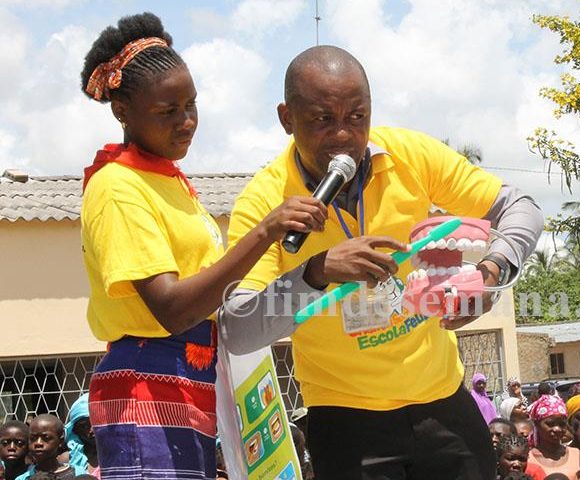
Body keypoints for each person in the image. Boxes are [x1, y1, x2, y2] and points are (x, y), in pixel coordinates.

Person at [220, 45, 543, 479]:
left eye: (357, 116)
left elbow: (521, 207)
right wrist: (315, 273)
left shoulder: (410, 154)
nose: (344, 137)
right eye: (322, 119)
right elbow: (238, 329)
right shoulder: (265, 199)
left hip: (443, 400)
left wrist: (492, 271)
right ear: (286, 118)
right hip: (346, 420)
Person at [79, 13, 326, 480]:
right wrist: (265, 231)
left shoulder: (169, 181)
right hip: (145, 387)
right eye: (167, 111)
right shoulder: (117, 186)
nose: (186, 121)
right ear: (122, 112)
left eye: (191, 105)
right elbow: (171, 309)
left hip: (186, 378)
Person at [527, 395, 580, 479]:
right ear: (537, 424)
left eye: (562, 424)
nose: (557, 429)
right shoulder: (527, 459)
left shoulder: (577, 456)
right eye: (550, 424)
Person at [16, 414, 85, 480]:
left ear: (61, 440)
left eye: (46, 438)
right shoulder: (24, 478)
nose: (38, 443)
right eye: (33, 438)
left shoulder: (78, 474)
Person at [62, 394, 98, 477]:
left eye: (96, 423)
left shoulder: (119, 456)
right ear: (75, 430)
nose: (92, 430)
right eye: (84, 426)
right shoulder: (67, 460)